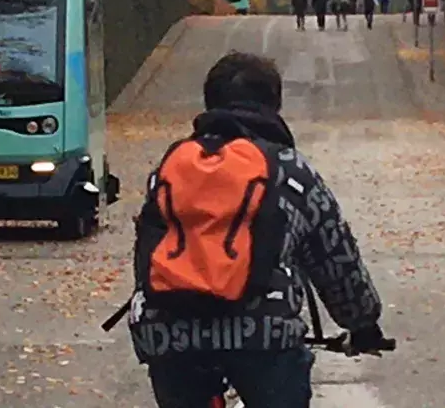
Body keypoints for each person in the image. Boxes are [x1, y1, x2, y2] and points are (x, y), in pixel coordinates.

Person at [124, 51, 388, 407]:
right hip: (264, 339)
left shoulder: (172, 166)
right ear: (274, 104)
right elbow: (335, 254)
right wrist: (362, 324)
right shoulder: (288, 169)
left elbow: (150, 247)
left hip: (169, 336)